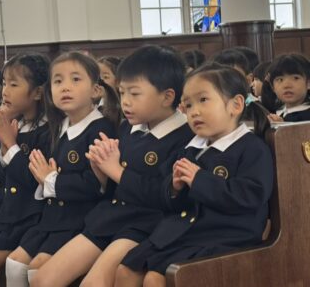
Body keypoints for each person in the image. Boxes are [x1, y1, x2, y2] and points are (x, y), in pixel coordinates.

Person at [31, 46, 194, 287]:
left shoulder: (184, 137)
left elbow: (166, 196)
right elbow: (107, 183)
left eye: (135, 94)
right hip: (111, 217)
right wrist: (101, 173)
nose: (125, 102)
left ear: (167, 96)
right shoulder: (129, 127)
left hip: (146, 223)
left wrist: (115, 171)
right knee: (42, 279)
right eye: (122, 93)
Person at [114, 64, 273, 287]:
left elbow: (251, 196)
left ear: (236, 105)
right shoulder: (191, 148)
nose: (194, 111)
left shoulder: (251, 148)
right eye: (188, 105)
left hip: (225, 236)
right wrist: (174, 188)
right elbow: (165, 193)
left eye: (203, 100)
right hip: (182, 231)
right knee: (125, 271)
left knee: (154, 279)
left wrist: (200, 180)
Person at [5, 51, 119, 286]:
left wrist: (50, 179)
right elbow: (43, 174)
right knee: (14, 264)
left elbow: (95, 186)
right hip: (52, 216)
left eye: (75, 80)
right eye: (58, 81)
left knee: (37, 271)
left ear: (96, 90)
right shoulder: (59, 127)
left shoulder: (100, 128)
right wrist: (44, 179)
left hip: (80, 219)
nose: (65, 87)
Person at [0, 53, 50, 287]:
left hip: (29, 218)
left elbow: (31, 180)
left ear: (37, 92)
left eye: (14, 84)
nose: (5, 91)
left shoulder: (47, 130)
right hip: (8, 214)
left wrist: (11, 144)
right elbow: (4, 177)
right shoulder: (18, 124)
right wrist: (0, 149)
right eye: (4, 83)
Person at [266, 54, 310, 122]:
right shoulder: (279, 112)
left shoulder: (307, 115)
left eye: (295, 78)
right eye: (280, 80)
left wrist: (283, 127)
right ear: (273, 87)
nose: (286, 85)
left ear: (308, 83)